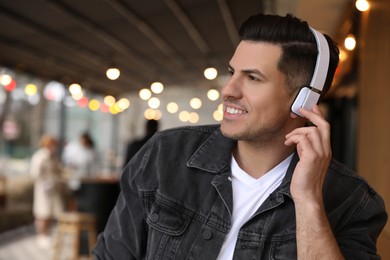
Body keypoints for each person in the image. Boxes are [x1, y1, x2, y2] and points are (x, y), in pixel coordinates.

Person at [93, 13, 387, 259]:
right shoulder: (166, 155)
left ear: (303, 101)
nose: (229, 90)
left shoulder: (353, 202)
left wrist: (308, 202)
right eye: (232, 72)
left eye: (252, 78)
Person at [30, 135, 64, 248]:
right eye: (52, 144)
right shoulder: (40, 156)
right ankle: (41, 235)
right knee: (42, 213)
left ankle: (47, 234)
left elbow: (59, 170)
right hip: (43, 189)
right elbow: (35, 173)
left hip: (53, 188)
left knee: (50, 213)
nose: (54, 147)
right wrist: (45, 182)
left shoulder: (53, 156)